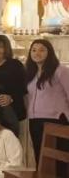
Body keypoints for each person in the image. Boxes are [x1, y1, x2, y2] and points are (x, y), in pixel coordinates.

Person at [25, 39, 69, 168]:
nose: (37, 53)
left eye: (41, 50)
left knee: (59, 160)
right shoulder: (31, 74)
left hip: (56, 119)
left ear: (49, 52)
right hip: (35, 120)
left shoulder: (61, 71)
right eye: (33, 50)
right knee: (41, 159)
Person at [0, 35, 27, 125]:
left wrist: (11, 98)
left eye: (0, 47)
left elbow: (23, 87)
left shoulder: (15, 65)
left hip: (11, 113)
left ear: (6, 49)